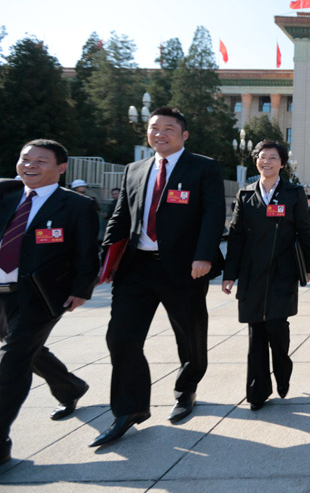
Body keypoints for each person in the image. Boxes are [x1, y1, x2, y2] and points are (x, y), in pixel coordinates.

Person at [92, 107, 225, 447]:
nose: (160, 133)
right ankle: (129, 408)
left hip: (184, 268)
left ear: (184, 135)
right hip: (136, 268)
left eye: (169, 128)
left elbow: (213, 214)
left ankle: (186, 388)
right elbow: (121, 217)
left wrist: (203, 256)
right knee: (120, 337)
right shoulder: (135, 170)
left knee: (190, 335)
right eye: (154, 128)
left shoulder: (204, 167)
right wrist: (106, 259)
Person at [0, 140, 99, 465]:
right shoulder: (5, 193)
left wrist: (82, 288)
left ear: (61, 168)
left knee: (12, 361)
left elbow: (86, 252)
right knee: (27, 349)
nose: (30, 165)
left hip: (41, 295)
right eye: (25, 158)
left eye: (40, 161)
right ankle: (69, 387)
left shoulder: (76, 206)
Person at [222, 140, 310, 411]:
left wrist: (308, 266)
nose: (267, 162)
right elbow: (237, 236)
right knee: (256, 334)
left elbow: (304, 231)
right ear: (256, 162)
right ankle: (257, 392)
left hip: (282, 272)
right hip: (252, 274)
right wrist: (230, 274)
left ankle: (282, 371)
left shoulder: (293, 193)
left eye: (273, 158)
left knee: (277, 329)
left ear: (282, 163)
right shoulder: (245, 194)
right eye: (262, 157)